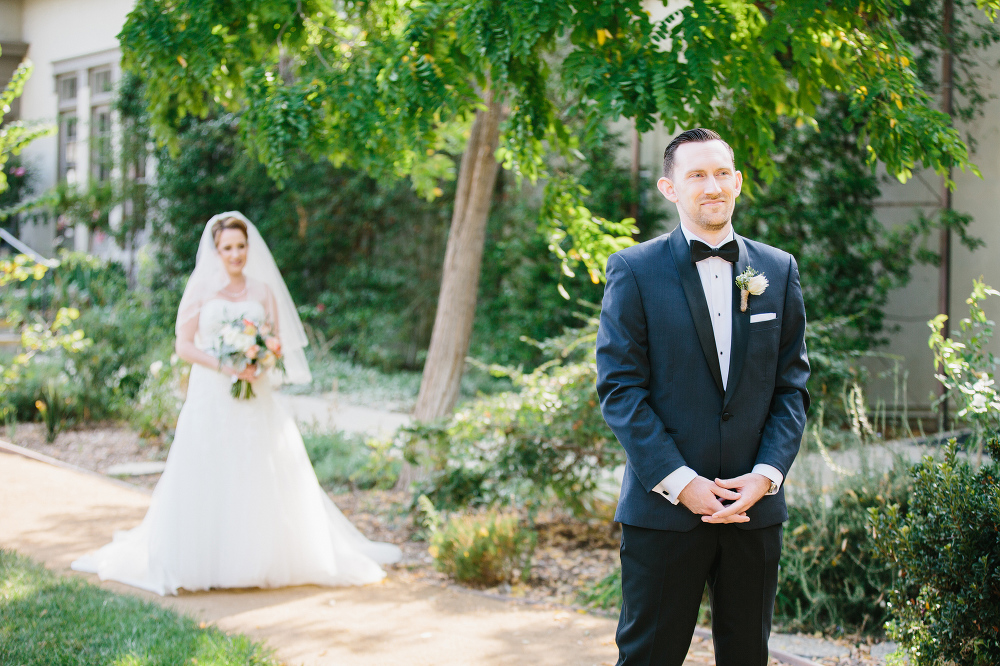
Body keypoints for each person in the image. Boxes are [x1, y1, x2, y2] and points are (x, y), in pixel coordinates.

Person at [72, 212, 401, 595]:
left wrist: (258, 360)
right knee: (208, 466)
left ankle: (259, 559)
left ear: (249, 248)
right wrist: (227, 365)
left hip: (254, 393)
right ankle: (203, 560)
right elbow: (184, 345)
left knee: (257, 467)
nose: (235, 254)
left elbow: (274, 341)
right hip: (211, 394)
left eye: (241, 246)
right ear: (216, 250)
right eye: (227, 248)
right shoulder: (201, 289)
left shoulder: (262, 291)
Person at [596, 129, 809, 665]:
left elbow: (791, 388)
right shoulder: (634, 270)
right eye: (696, 175)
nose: (711, 186)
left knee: (746, 657)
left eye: (720, 173)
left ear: (737, 181)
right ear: (670, 188)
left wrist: (766, 476)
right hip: (664, 513)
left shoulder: (777, 270)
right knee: (649, 656)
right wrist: (682, 483)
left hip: (751, 513)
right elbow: (621, 390)